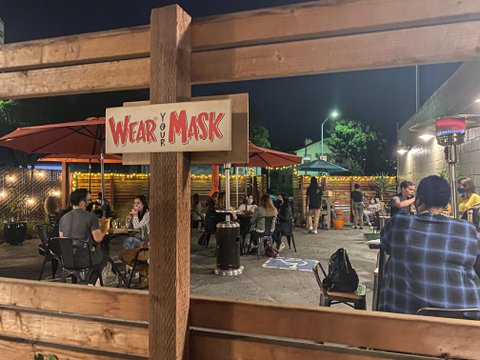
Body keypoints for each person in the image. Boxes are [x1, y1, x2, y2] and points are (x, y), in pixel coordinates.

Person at [379, 175, 480, 319]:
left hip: (405, 323)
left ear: (418, 200)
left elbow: (386, 245)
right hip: (462, 323)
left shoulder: (398, 224)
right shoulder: (468, 230)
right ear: (447, 204)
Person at [59, 189, 107, 273]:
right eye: (88, 200)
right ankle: (92, 281)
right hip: (85, 259)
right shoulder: (91, 217)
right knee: (105, 256)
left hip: (67, 260)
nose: (90, 203)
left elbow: (62, 238)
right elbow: (98, 239)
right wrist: (104, 227)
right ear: (82, 202)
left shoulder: (63, 218)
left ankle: (78, 278)